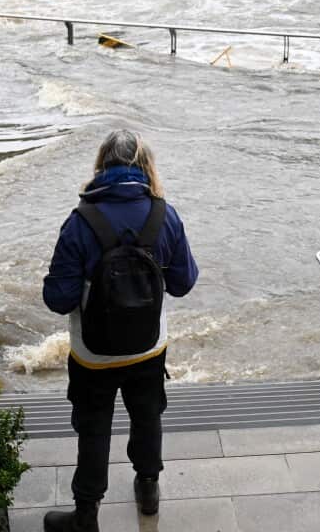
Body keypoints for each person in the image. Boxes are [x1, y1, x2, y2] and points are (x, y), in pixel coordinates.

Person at [42, 130, 198, 532]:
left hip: (92, 354)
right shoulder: (165, 215)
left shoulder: (79, 222)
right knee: (147, 415)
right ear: (145, 167)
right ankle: (148, 489)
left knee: (93, 427)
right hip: (148, 348)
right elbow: (183, 282)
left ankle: (87, 515)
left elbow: (57, 299)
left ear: (100, 166)